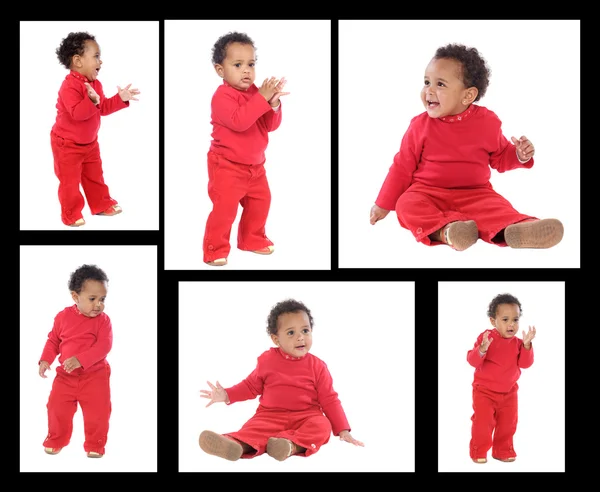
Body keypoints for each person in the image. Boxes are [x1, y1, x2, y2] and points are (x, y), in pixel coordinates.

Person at [369, 43, 563, 251]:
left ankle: (519, 228)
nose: (429, 91)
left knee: (496, 208)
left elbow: (500, 157)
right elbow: (402, 167)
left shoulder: (487, 122)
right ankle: (448, 232)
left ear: (468, 95)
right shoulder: (419, 126)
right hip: (427, 193)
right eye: (426, 82)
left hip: (476, 194)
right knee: (406, 205)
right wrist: (383, 204)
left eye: (440, 84)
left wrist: (519, 155)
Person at [198, 298, 364, 461]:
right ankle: (235, 445)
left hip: (306, 417)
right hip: (269, 416)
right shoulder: (267, 360)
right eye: (291, 333)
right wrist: (227, 394)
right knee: (254, 430)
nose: (300, 337)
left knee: (322, 426)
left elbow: (329, 400)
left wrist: (343, 429)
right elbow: (250, 386)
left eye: (305, 331)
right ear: (276, 339)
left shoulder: (318, 366)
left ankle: (289, 446)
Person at [202, 31, 289, 266]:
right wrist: (261, 98)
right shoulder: (222, 97)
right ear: (220, 70)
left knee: (261, 202)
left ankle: (251, 238)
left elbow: (270, 126)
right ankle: (215, 248)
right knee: (224, 210)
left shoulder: (255, 93)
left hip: (256, 167)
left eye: (251, 64)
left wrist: (273, 104)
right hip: (227, 166)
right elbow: (240, 122)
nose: (246, 70)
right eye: (238, 64)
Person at [51, 31, 140, 227]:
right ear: (78, 61)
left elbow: (103, 108)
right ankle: (71, 214)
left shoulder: (95, 84)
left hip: (90, 144)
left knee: (95, 177)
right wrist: (90, 100)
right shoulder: (69, 87)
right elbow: (77, 114)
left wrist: (120, 99)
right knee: (70, 183)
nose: (101, 61)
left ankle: (100, 204)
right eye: (96, 56)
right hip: (67, 145)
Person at [38, 264, 113, 458]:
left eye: (102, 299)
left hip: (95, 376)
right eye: (92, 299)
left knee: (98, 413)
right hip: (65, 376)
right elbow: (53, 340)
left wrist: (81, 359)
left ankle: (95, 444)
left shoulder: (103, 321)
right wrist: (45, 360)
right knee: (56, 408)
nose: (99, 304)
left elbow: (104, 347)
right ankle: (56, 439)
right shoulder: (62, 317)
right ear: (75, 297)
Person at [466, 293, 535, 464]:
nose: (511, 324)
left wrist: (527, 346)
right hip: (484, 392)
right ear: (493, 321)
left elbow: (525, 364)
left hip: (509, 393)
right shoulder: (486, 338)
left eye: (515, 319)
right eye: (505, 319)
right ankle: (478, 450)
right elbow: (472, 360)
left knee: (508, 424)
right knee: (483, 423)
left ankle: (502, 450)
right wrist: (481, 349)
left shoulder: (519, 343)